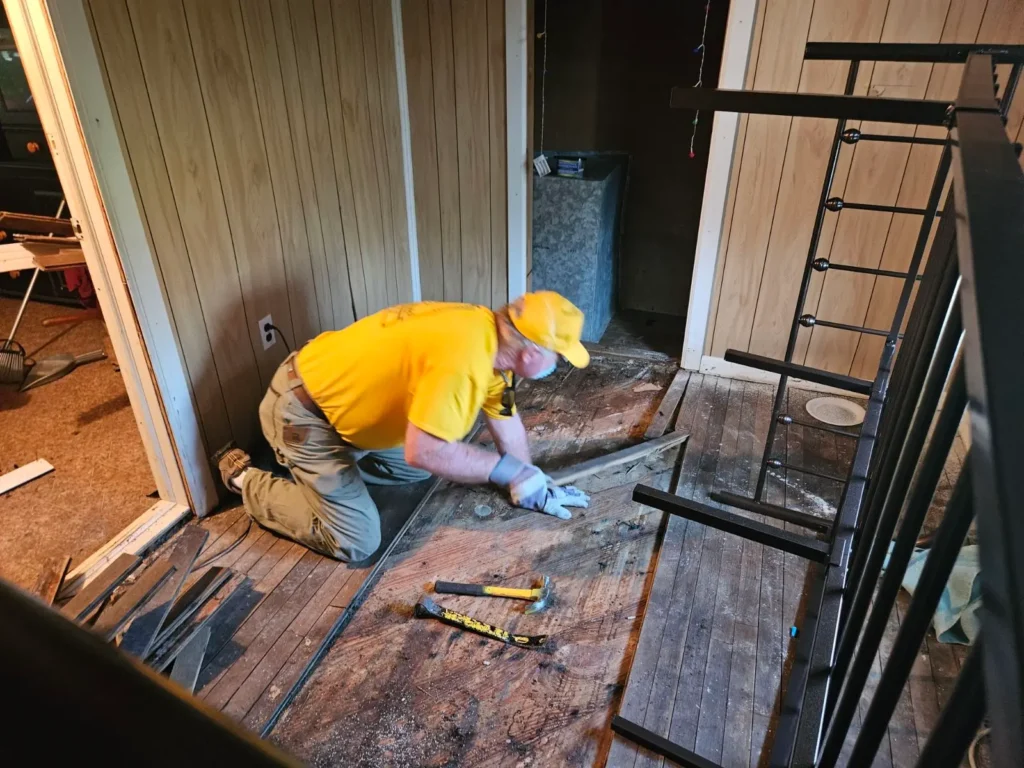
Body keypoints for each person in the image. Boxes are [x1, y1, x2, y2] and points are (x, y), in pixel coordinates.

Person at [216, 291, 592, 562]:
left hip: (338, 401)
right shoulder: (461, 362)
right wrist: (509, 471)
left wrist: (529, 478)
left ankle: (330, 475)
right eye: (557, 357)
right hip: (303, 416)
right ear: (530, 353)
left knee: (419, 470)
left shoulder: (487, 336)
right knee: (357, 539)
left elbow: (504, 416)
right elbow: (425, 450)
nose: (557, 364)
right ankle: (246, 480)